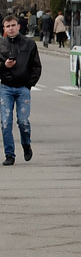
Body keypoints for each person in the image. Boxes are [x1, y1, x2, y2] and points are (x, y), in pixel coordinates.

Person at [0, 13, 42, 166]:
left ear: (18, 26)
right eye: (7, 26)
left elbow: (36, 66)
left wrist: (29, 84)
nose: (11, 29)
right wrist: (4, 66)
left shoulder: (29, 44)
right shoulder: (1, 45)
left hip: (23, 88)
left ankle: (26, 145)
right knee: (5, 122)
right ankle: (9, 154)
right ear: (4, 29)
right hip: (5, 88)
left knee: (23, 121)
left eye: (13, 25)